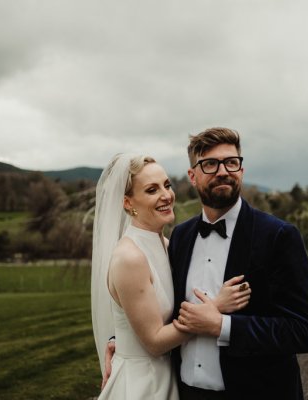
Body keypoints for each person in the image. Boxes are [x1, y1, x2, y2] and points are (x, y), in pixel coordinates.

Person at [169, 127, 308, 399]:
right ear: (192, 176)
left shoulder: (279, 236)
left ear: (241, 170)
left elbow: (302, 332)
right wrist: (120, 341)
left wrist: (221, 326)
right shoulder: (181, 236)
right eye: (210, 164)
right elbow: (161, 307)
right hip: (187, 392)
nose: (223, 171)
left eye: (231, 162)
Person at [91, 153, 251, 399]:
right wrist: (215, 307)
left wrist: (118, 339)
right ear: (127, 203)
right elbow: (154, 341)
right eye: (151, 190)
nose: (166, 196)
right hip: (142, 383)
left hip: (169, 375)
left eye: (167, 185)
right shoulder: (130, 258)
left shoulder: (167, 244)